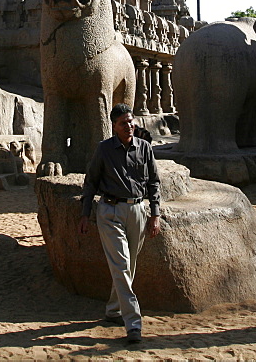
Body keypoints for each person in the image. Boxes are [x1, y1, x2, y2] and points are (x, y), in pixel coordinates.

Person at [78, 103, 162, 344]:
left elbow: (154, 182)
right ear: (114, 126)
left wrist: (155, 214)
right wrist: (85, 214)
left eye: (131, 121)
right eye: (124, 123)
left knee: (129, 265)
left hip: (137, 210)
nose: (129, 126)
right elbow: (91, 182)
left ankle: (114, 309)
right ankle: (133, 323)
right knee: (122, 264)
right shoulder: (103, 150)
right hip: (110, 211)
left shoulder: (144, 148)